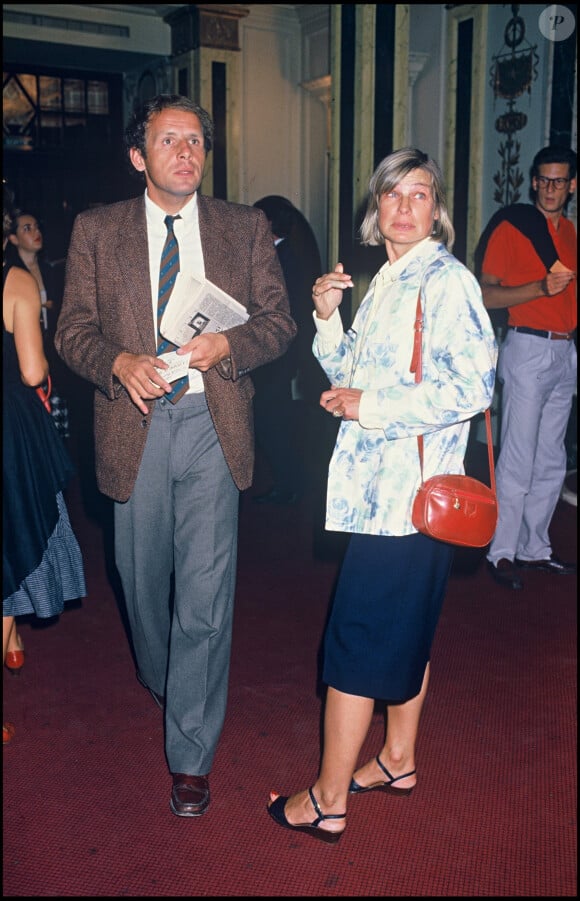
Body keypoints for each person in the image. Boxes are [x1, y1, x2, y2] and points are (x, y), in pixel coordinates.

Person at [54, 94, 296, 816]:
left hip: (213, 422)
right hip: (137, 423)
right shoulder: (98, 230)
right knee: (138, 576)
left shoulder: (243, 226)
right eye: (169, 140)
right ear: (139, 156)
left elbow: (279, 321)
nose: (186, 152)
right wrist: (118, 362)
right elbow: (71, 331)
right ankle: (167, 677)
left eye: (195, 140)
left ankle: (191, 751)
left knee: (206, 594)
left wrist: (231, 344)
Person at [266, 147, 497, 843]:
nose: (403, 206)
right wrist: (330, 316)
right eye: (392, 194)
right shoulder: (390, 278)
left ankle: (327, 799)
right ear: (377, 210)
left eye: (419, 194)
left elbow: (473, 386)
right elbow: (345, 383)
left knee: (356, 643)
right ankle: (397, 758)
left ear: (438, 211)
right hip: (382, 493)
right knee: (405, 630)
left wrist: (374, 405)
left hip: (406, 497)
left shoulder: (445, 281)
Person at [3, 189, 86, 745]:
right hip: (7, 427)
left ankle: (10, 636)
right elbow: (33, 371)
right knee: (11, 543)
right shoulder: (16, 283)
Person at [480, 146, 577, 591]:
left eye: (560, 181)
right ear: (533, 181)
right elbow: (486, 295)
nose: (551, 188)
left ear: (572, 185)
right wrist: (540, 287)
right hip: (527, 347)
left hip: (564, 351)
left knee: (552, 456)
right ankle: (500, 551)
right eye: (545, 180)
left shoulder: (572, 233)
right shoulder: (514, 228)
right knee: (518, 457)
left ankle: (534, 547)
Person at [251, 195, 323, 504]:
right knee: (273, 418)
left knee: (271, 421)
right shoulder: (288, 253)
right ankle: (291, 482)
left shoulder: (281, 259)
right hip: (283, 353)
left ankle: (290, 484)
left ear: (267, 222)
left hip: (278, 354)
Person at [6, 210, 70, 439]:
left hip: (54, 354)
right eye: (27, 228)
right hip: (24, 360)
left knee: (59, 425)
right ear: (12, 238)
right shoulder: (14, 275)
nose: (36, 232)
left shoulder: (51, 270)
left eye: (36, 226)